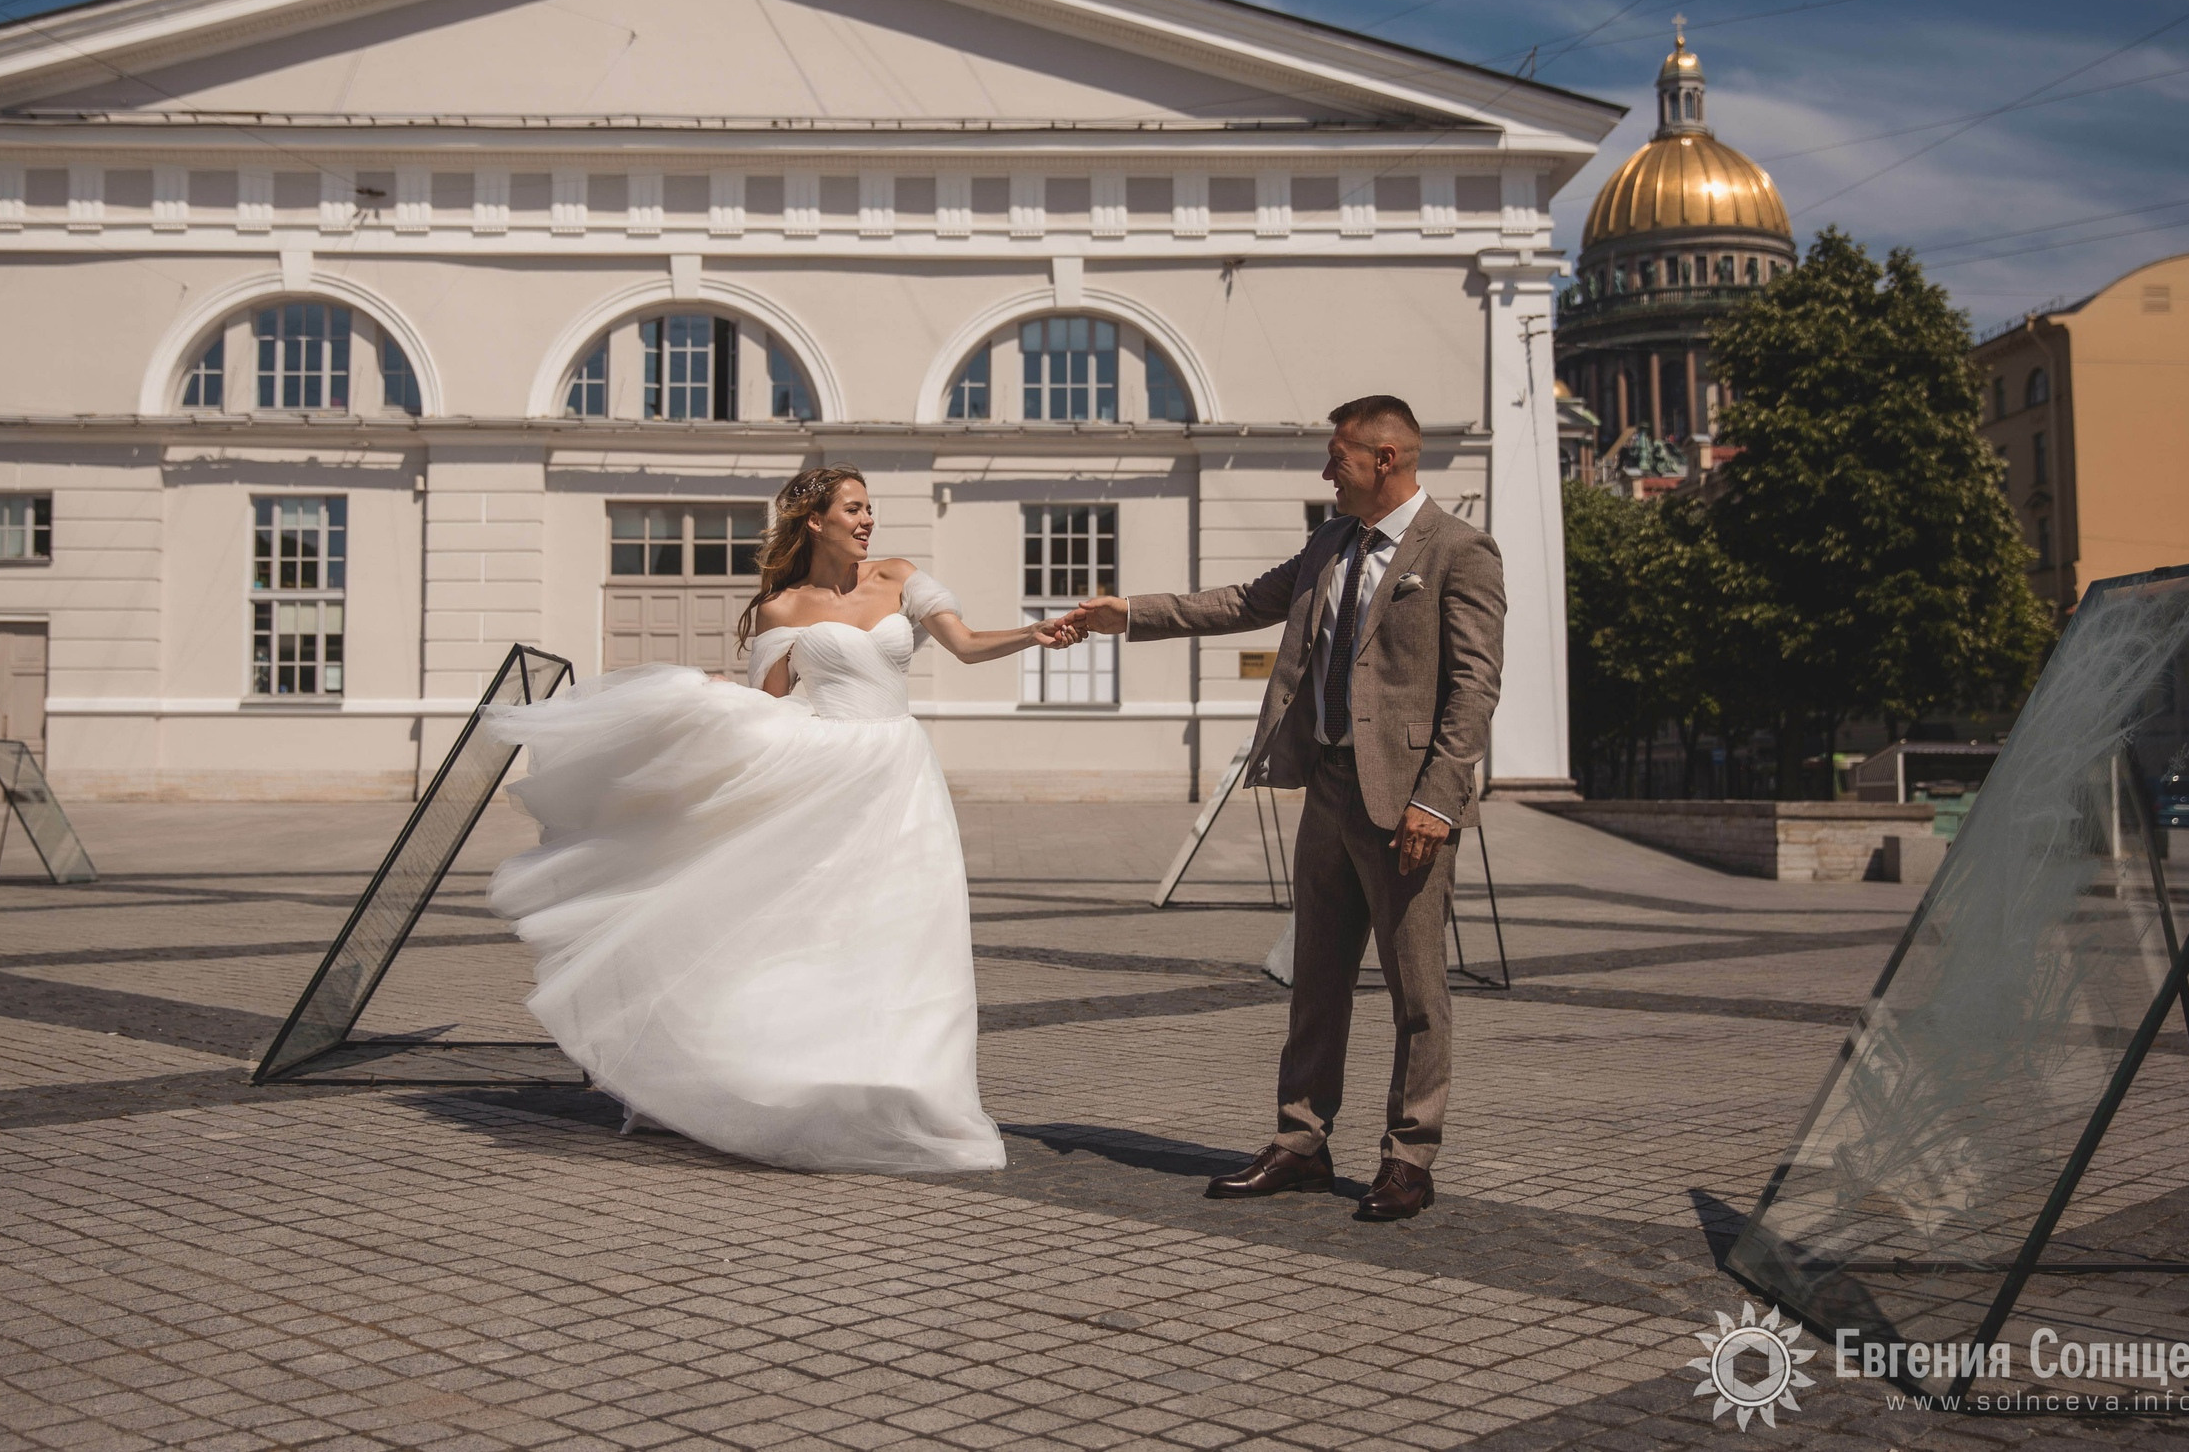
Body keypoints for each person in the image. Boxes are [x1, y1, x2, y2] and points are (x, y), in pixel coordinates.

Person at [483, 465, 1072, 1174]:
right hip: (826, 773)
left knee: (914, 927)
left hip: (901, 774)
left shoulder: (901, 578)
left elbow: (968, 643)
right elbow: (769, 705)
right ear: (816, 520)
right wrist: (712, 704)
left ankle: (918, 1092)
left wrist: (1033, 633)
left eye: (869, 508)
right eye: (853, 508)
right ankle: (768, 1075)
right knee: (814, 929)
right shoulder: (782, 609)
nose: (867, 520)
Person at [1061, 395, 1505, 1221]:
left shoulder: (1459, 551)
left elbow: (1475, 687)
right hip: (1329, 789)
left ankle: (1410, 1156)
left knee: (1417, 990)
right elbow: (1240, 602)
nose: (1323, 471)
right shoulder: (1329, 542)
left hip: (1407, 803)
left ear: (1386, 459)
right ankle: (1300, 1140)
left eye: (1336, 456)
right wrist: (1125, 615)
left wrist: (1437, 803)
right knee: (1316, 980)